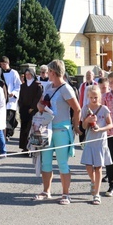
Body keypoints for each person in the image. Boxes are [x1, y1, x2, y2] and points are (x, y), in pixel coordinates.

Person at [33, 60, 81, 205]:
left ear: (53, 72)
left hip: (61, 129)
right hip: (47, 129)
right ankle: (46, 190)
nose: (47, 74)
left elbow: (77, 109)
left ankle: (66, 194)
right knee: (45, 162)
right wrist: (40, 106)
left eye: (49, 72)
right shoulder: (48, 86)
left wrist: (75, 126)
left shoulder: (66, 89)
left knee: (62, 163)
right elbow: (40, 103)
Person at [78, 84, 112, 205]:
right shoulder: (85, 108)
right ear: (88, 96)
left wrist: (100, 129)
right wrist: (87, 120)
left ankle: (96, 194)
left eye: (96, 97)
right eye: (91, 97)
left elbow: (110, 125)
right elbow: (83, 126)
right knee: (88, 165)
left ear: (100, 96)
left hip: (100, 141)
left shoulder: (104, 109)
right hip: (89, 140)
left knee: (98, 167)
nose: (93, 99)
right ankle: (93, 181)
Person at [18, 68, 43, 152]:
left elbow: (38, 97)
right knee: (24, 128)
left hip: (33, 110)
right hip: (24, 110)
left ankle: (32, 147)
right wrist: (21, 106)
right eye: (26, 74)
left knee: (31, 129)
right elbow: (20, 97)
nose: (28, 76)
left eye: (29, 74)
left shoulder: (37, 85)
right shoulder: (23, 86)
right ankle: (24, 147)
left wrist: (32, 107)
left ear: (33, 75)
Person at [0, 56, 21, 140]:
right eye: (1, 64)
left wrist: (14, 93)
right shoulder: (0, 73)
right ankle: (4, 133)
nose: (3, 66)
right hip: (2, 98)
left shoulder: (14, 73)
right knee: (4, 117)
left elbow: (18, 85)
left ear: (8, 63)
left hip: (11, 99)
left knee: (9, 117)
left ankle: (8, 134)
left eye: (4, 64)